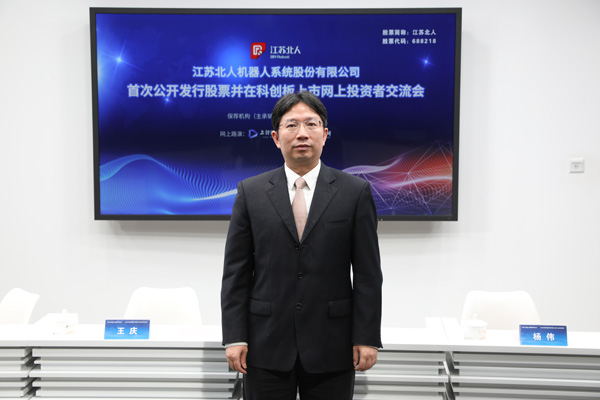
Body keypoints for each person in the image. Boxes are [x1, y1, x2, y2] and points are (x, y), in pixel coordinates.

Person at [221, 91, 382, 400]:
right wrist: (235, 336)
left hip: (333, 344)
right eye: (292, 125)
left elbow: (368, 274)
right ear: (276, 137)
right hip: (265, 343)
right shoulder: (250, 192)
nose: (302, 133)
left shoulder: (355, 191)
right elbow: (235, 273)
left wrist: (366, 337)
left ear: (325, 133)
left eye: (311, 123)